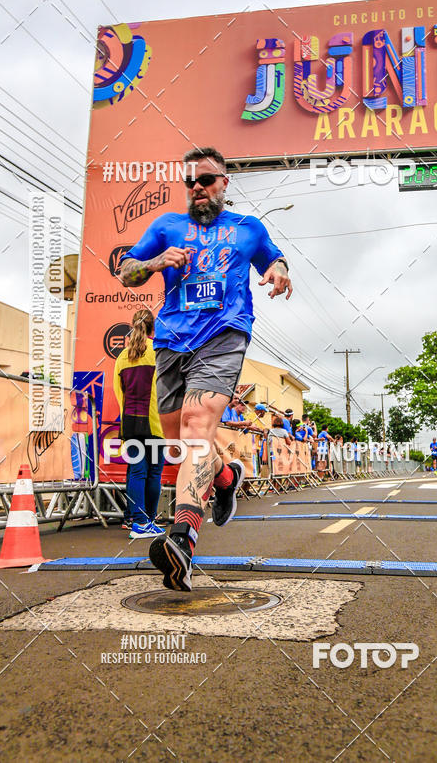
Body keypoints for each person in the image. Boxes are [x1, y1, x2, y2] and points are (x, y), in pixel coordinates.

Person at [119, 146, 292, 590]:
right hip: (172, 340)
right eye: (190, 182)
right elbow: (126, 270)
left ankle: (183, 538)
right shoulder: (167, 226)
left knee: (197, 429)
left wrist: (278, 271)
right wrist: (157, 261)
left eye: (207, 180)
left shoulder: (246, 228)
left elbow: (274, 256)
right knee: (182, 442)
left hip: (224, 334)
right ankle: (226, 474)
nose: (197, 188)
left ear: (223, 184)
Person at [112, 308, 165, 539]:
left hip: (131, 423)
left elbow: (118, 392)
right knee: (153, 473)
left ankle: (138, 522)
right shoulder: (159, 351)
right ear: (153, 328)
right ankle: (148, 521)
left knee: (136, 472)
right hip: (155, 422)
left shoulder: (122, 357)